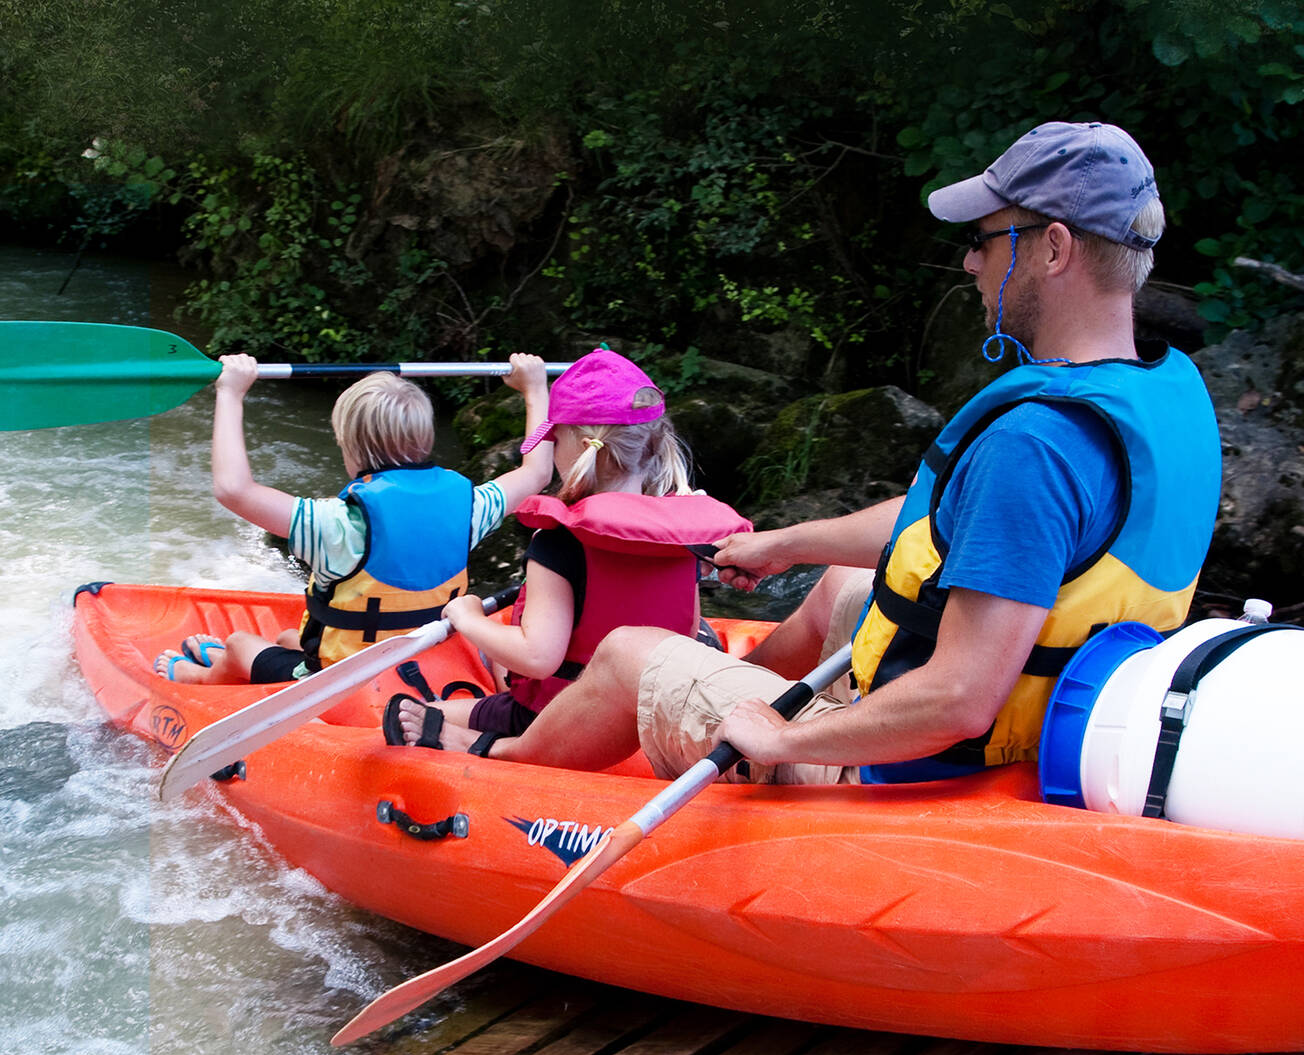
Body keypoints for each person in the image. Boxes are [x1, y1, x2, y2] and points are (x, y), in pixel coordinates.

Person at [455, 120, 1222, 785]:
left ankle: (511, 765)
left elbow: (961, 698)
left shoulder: (1037, 442)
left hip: (913, 760)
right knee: (842, 586)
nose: (970, 264)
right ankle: (717, 689)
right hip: (1051, 720)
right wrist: (786, 545)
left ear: (1054, 249)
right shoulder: (1157, 400)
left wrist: (787, 737)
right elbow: (955, 522)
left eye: (987, 241)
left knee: (624, 651)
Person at [385, 348, 750, 755]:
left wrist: (467, 618)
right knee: (504, 658)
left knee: (419, 709)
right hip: (648, 716)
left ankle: (479, 743)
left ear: (576, 446)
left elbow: (538, 657)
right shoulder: (681, 536)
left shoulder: (558, 541)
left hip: (555, 716)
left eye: (554, 438)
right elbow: (687, 629)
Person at [153, 351, 553, 684]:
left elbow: (233, 489)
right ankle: (252, 661)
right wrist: (535, 389)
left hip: (342, 681)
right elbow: (537, 472)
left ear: (353, 451)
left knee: (241, 643)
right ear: (426, 439)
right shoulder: (472, 508)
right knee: (289, 636)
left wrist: (230, 393)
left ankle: (199, 678)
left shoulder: (337, 524)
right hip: (421, 660)